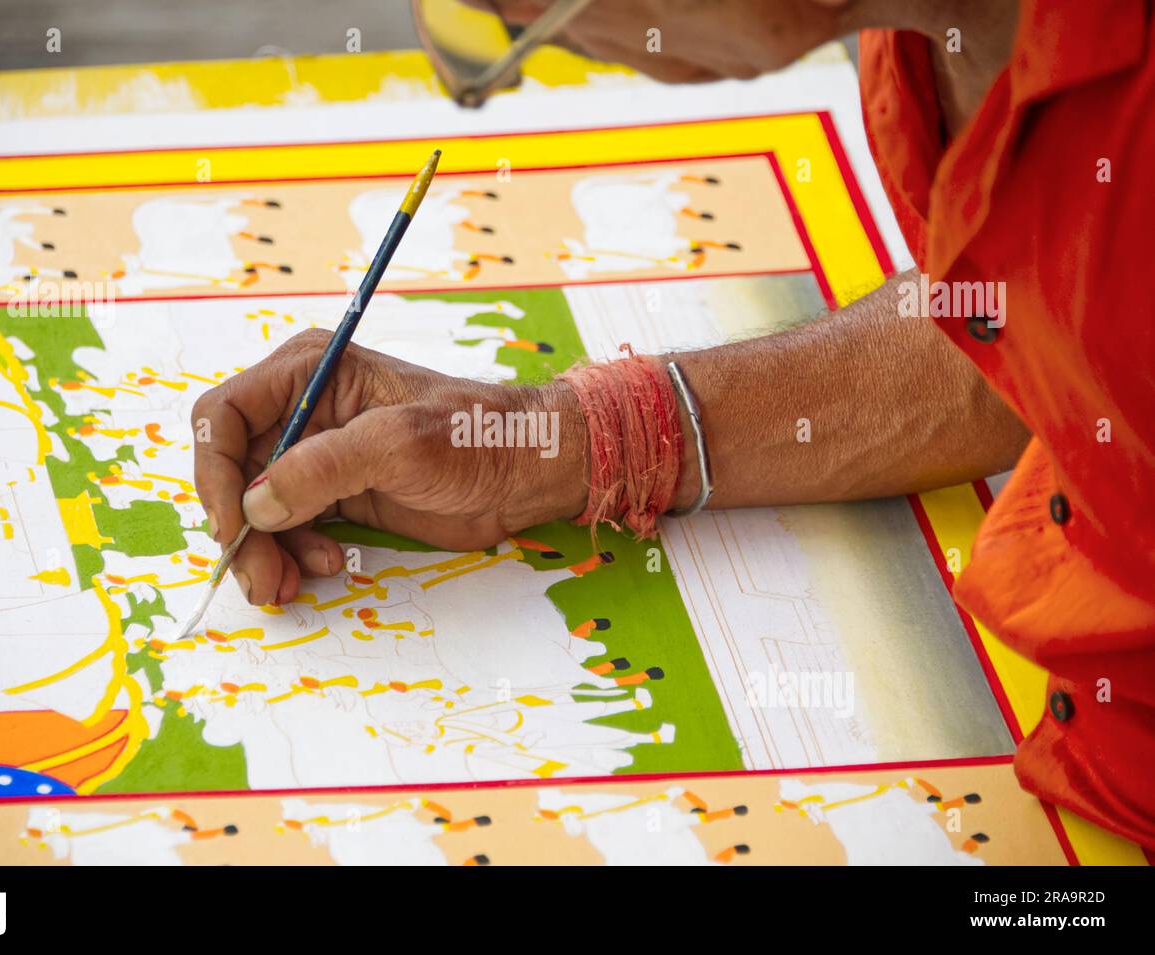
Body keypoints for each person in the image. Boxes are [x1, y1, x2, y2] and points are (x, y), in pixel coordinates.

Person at [192, 0, 1154, 849]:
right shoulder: (921, 39)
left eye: (512, 13)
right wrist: (573, 439)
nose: (513, 62)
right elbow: (1031, 327)